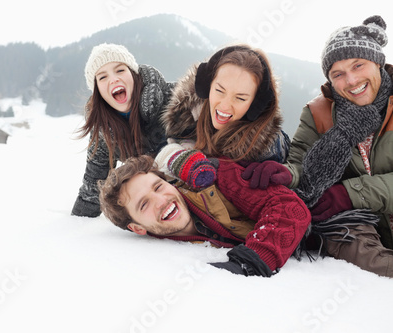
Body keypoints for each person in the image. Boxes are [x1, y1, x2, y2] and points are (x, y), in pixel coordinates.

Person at [244, 16, 393, 278]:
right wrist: (287, 174)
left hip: (362, 206)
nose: (351, 80)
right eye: (338, 74)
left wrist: (350, 193)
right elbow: (301, 163)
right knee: (357, 249)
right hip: (357, 225)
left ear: (378, 63)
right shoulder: (318, 114)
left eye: (358, 65)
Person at [99, 152, 311, 277]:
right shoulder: (159, 255)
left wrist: (249, 262)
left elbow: (290, 207)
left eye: (158, 187)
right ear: (137, 228)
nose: (162, 201)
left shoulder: (218, 178)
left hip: (327, 221)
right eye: (144, 204)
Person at [72, 43, 175, 217]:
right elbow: (93, 184)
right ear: (98, 91)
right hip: (157, 205)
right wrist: (75, 225)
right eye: (102, 77)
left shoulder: (172, 98)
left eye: (120, 70)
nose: (113, 80)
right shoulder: (104, 131)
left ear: (134, 74)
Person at [161, 44, 290, 164]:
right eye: (219, 91)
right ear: (207, 86)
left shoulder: (266, 153)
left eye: (240, 98)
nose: (225, 106)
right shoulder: (185, 118)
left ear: (256, 105)